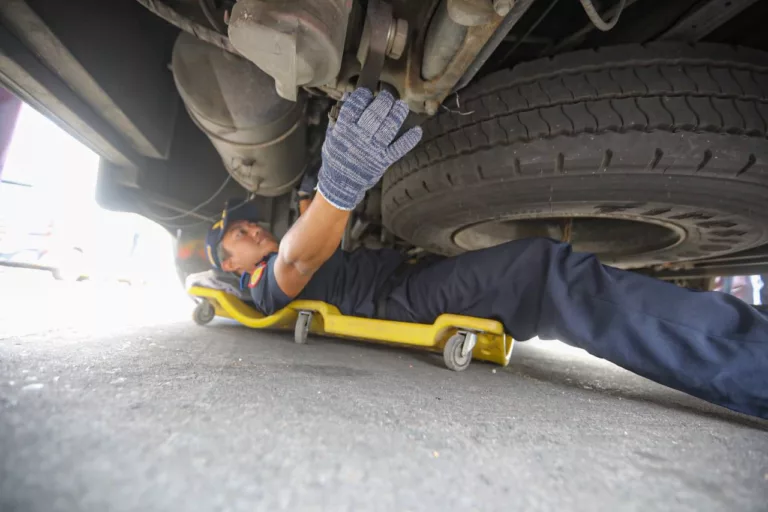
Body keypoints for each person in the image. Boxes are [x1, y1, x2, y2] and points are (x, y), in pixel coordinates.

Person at [205, 88, 768, 420]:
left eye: (245, 222)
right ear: (230, 264)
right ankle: (750, 363)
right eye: (235, 234)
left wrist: (317, 193)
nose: (248, 227)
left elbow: (310, 243)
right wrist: (339, 185)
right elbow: (296, 264)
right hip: (399, 300)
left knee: (538, 274)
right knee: (540, 277)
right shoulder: (257, 284)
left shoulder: (271, 254)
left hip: (408, 280)